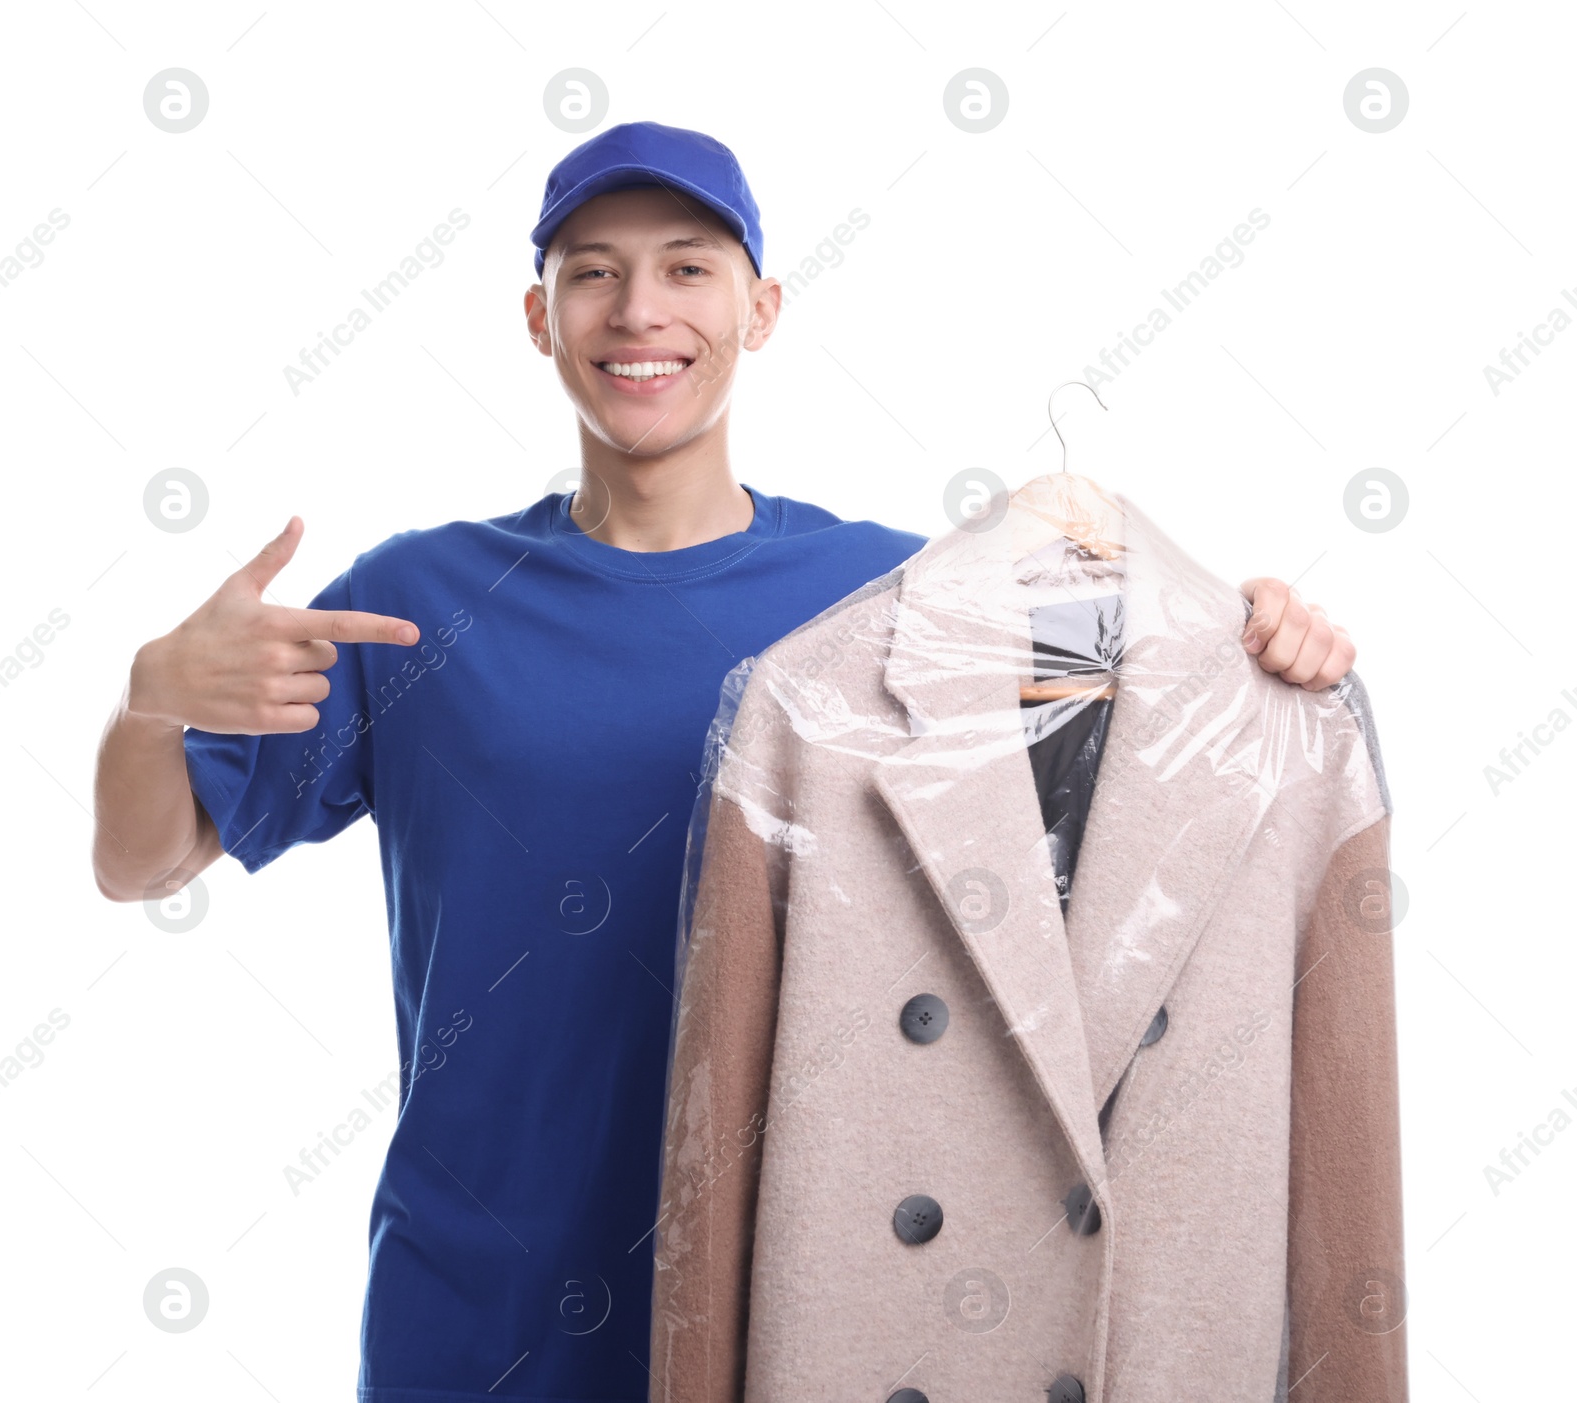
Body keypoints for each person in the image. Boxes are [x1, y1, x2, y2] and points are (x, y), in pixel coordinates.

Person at [91, 121, 1357, 1402]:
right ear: (539, 317)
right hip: (479, 1322)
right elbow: (143, 860)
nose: (639, 309)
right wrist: (148, 705)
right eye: (594, 271)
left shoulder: (901, 597)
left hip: (813, 1309)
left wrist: (1254, 632)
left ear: (761, 309)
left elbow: (1126, 731)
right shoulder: (414, 604)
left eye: (688, 269)